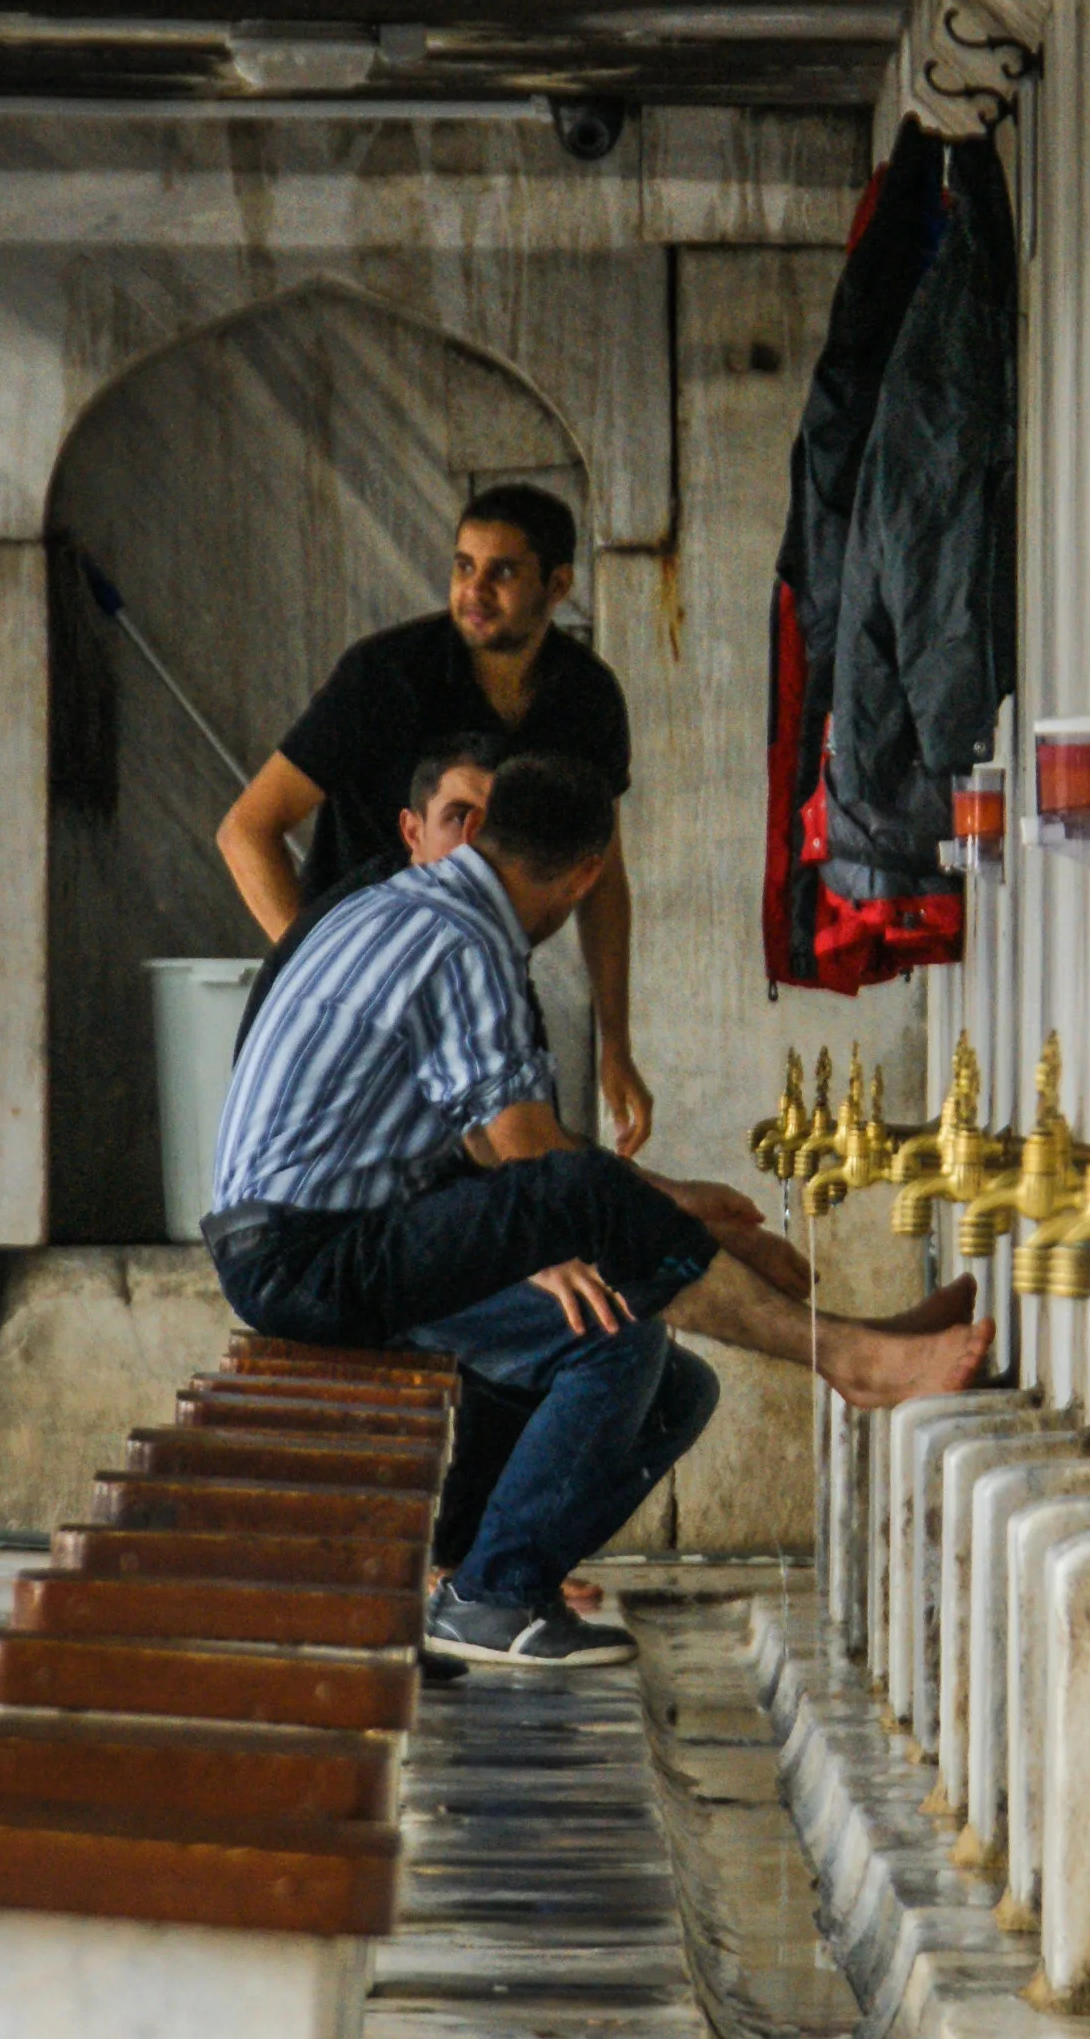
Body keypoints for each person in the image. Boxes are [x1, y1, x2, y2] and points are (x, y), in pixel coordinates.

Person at [204, 751, 991, 1672]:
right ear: (585, 877)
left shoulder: (403, 904)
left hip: (329, 1238)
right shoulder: (463, 943)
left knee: (671, 1388)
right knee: (613, 1338)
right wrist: (691, 1227)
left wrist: (683, 1211)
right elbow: (532, 1160)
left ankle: (482, 1572)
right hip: (310, 1255)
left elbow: (500, 1154)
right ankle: (845, 1359)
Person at [214, 481, 653, 1153]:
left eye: (502, 571)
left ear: (558, 584)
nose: (474, 590)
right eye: (463, 565)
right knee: (367, 1212)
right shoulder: (384, 675)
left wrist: (616, 1044)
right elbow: (246, 830)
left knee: (534, 1204)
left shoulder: (586, 698)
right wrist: (328, 974)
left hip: (487, 988)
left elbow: (602, 878)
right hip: (354, 1013)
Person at [234, 733, 498, 1059]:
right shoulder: (393, 922)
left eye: (497, 824)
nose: (478, 843)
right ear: (413, 832)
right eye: (459, 819)